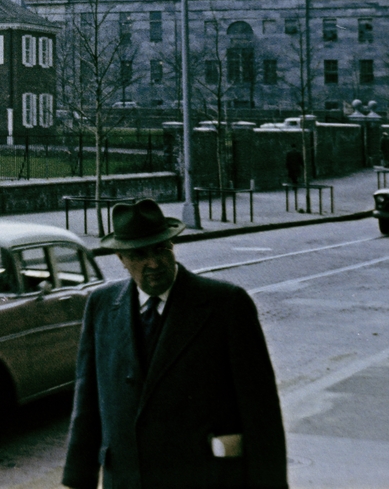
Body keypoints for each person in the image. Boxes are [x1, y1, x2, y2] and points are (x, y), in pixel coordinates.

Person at [62, 199, 287, 489]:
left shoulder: (225, 305)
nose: (153, 263)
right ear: (120, 257)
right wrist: (78, 480)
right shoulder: (102, 306)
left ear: (172, 245)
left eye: (161, 248)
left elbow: (261, 414)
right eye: (139, 254)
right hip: (127, 479)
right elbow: (87, 404)